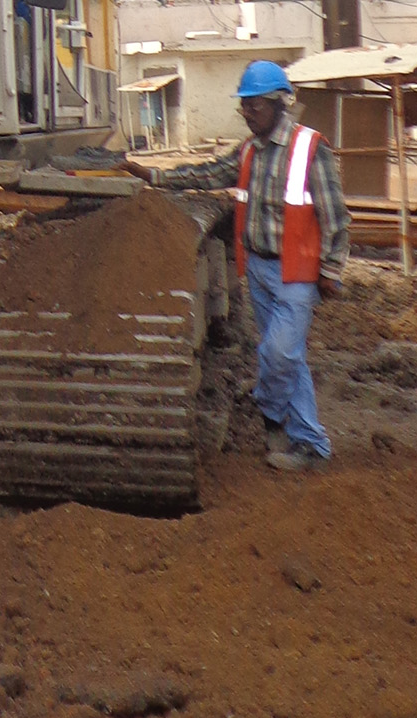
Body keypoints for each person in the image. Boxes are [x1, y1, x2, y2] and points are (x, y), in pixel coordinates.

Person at [117, 60, 350, 472]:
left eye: (253, 106)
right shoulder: (248, 151)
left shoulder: (310, 149)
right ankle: (308, 443)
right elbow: (206, 173)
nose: (246, 113)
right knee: (288, 357)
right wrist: (152, 175)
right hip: (259, 269)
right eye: (244, 106)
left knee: (279, 353)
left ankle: (271, 412)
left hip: (297, 272)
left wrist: (331, 271)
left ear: (278, 104)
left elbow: (335, 216)